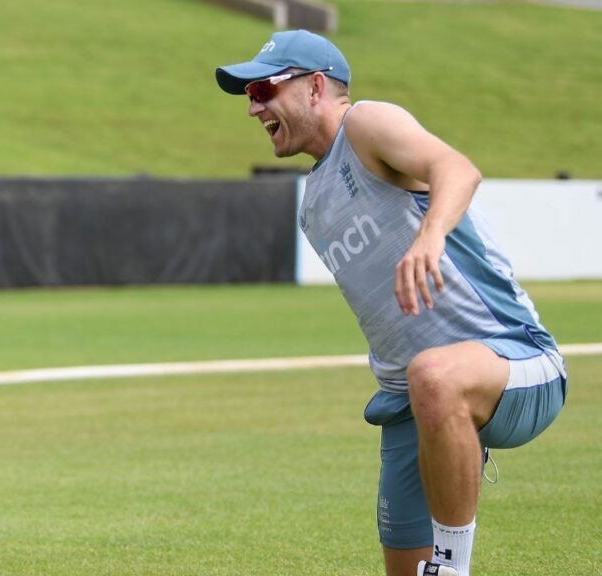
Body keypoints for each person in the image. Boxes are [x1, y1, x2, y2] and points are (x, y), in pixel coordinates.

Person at [215, 30, 566, 576]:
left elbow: (457, 169)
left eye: (263, 89)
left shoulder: (365, 123)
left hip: (517, 361)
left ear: (314, 88)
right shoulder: (312, 207)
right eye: (249, 95)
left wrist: (431, 236)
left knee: (435, 375)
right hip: (411, 401)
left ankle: (452, 568)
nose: (253, 107)